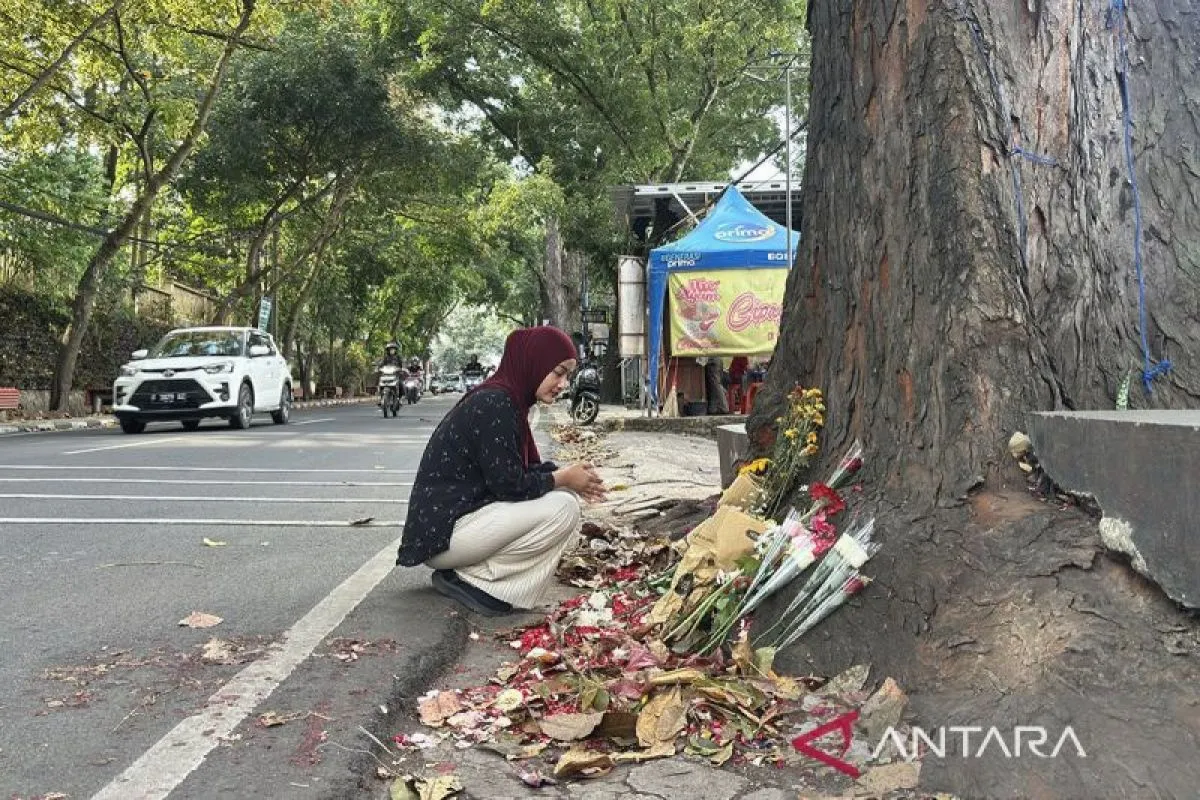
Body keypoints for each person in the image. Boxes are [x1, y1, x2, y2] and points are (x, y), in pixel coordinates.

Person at [396, 326, 606, 616]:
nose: (563, 384)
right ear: (534, 362)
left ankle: (473, 577)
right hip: (443, 537)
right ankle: (472, 581)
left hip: (454, 529)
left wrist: (568, 476)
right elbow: (510, 485)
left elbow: (521, 471)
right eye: (558, 372)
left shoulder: (508, 398)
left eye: (568, 375)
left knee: (563, 496)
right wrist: (564, 478)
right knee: (563, 508)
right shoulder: (496, 403)